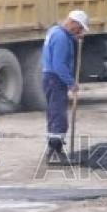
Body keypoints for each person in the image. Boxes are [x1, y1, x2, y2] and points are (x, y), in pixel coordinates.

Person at [41, 10, 89, 163]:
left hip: (50, 78)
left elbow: (64, 42)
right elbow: (59, 65)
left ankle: (54, 149)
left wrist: (75, 38)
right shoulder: (61, 38)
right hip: (55, 79)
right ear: (73, 22)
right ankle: (55, 151)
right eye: (79, 28)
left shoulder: (55, 31)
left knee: (54, 114)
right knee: (59, 116)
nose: (79, 31)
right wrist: (71, 83)